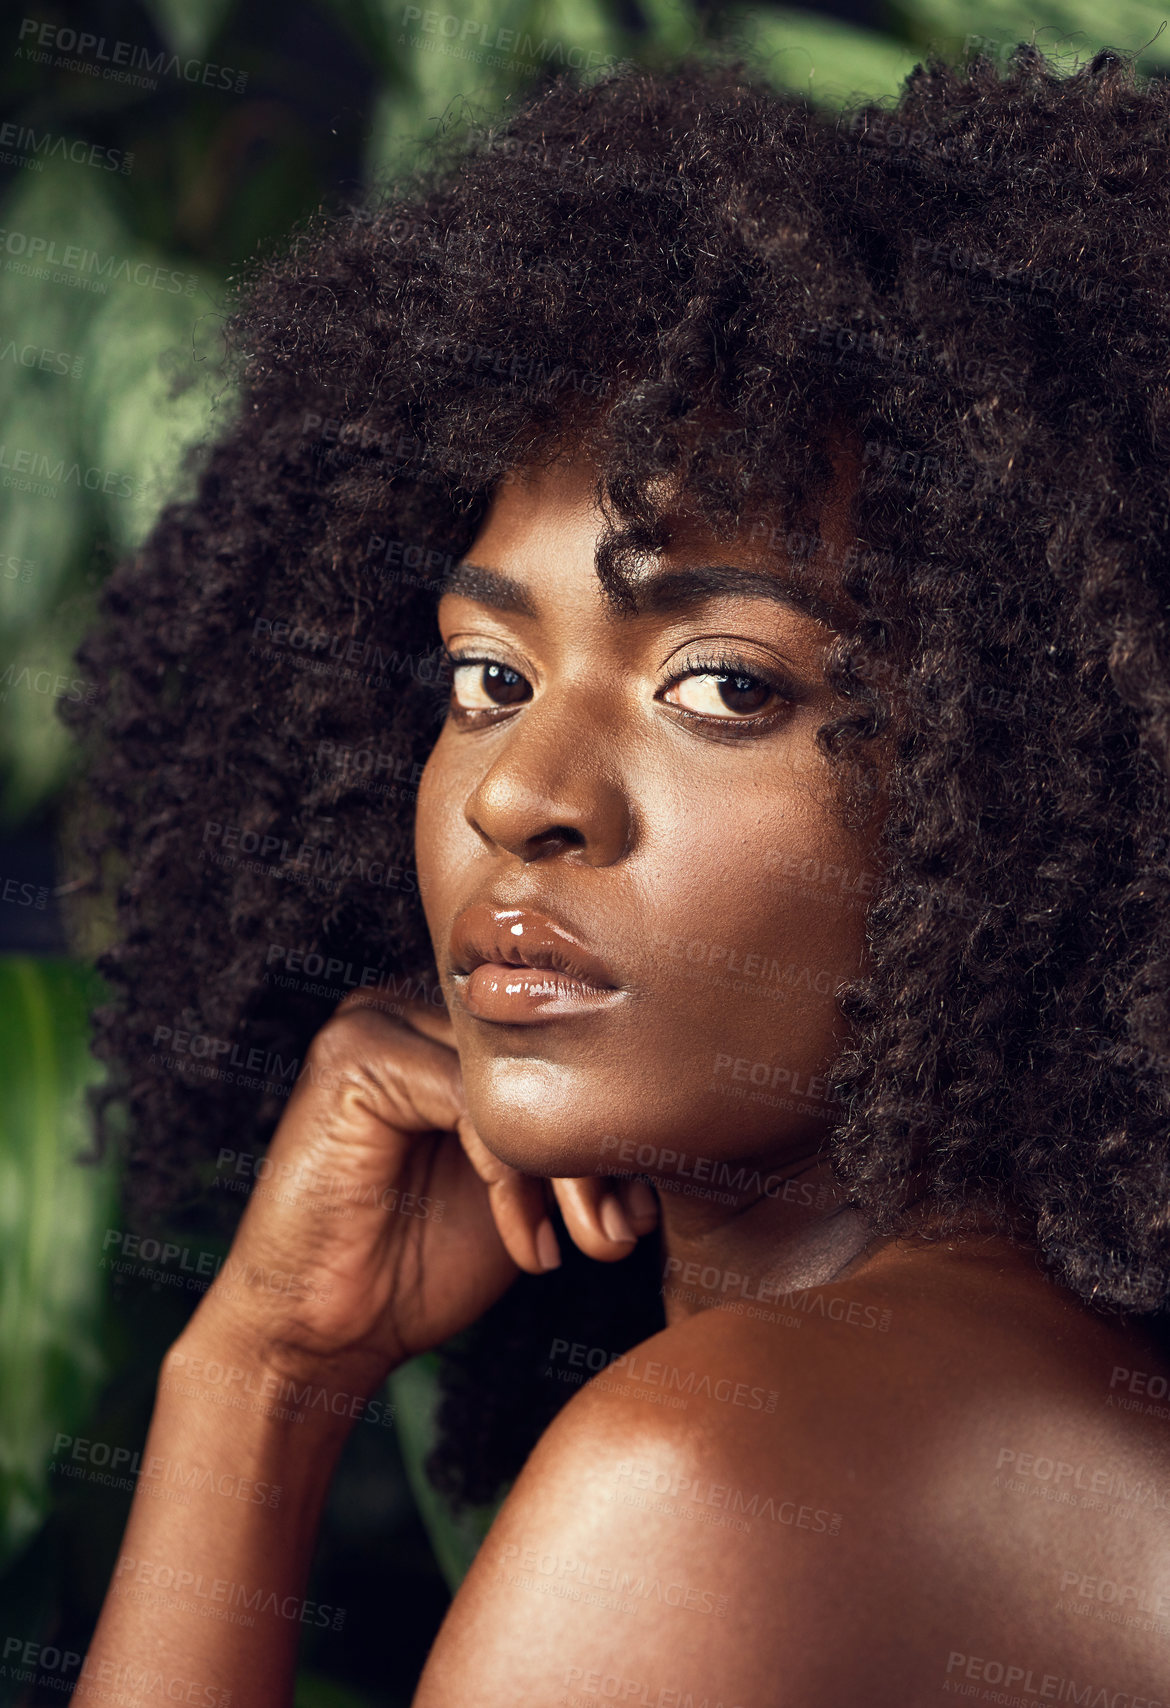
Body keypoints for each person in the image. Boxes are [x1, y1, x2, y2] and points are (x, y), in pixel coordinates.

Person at [65, 44, 1170, 1707]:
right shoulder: (1039, 1402)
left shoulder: (708, 1478)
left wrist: (252, 1383)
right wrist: (274, 1359)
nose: (519, 793)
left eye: (723, 685)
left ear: (1038, 778)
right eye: (483, 679)